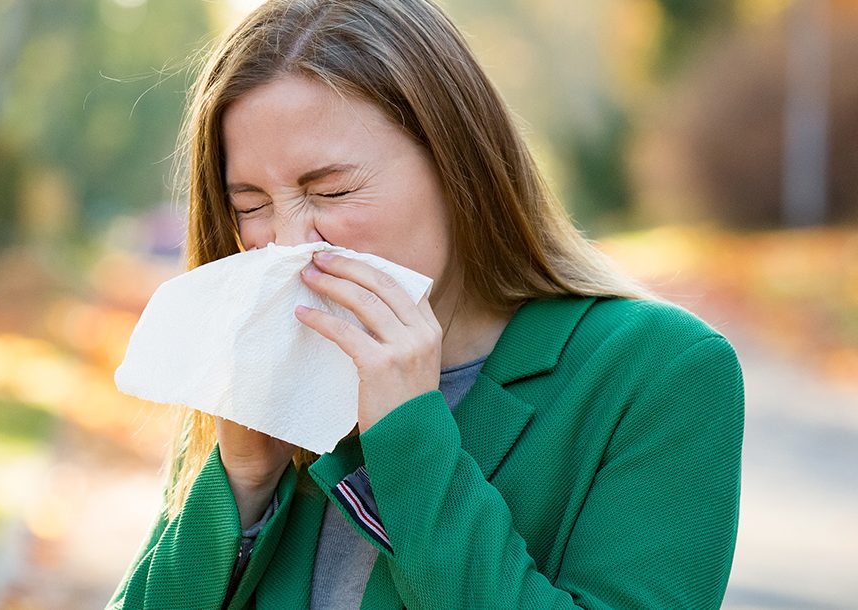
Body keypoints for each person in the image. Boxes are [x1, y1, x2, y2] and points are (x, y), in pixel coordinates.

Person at [108, 0, 745, 608]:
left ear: (456, 165)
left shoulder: (662, 373)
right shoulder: (268, 379)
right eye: (251, 206)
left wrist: (410, 438)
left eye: (330, 192)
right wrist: (240, 480)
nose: (289, 242)